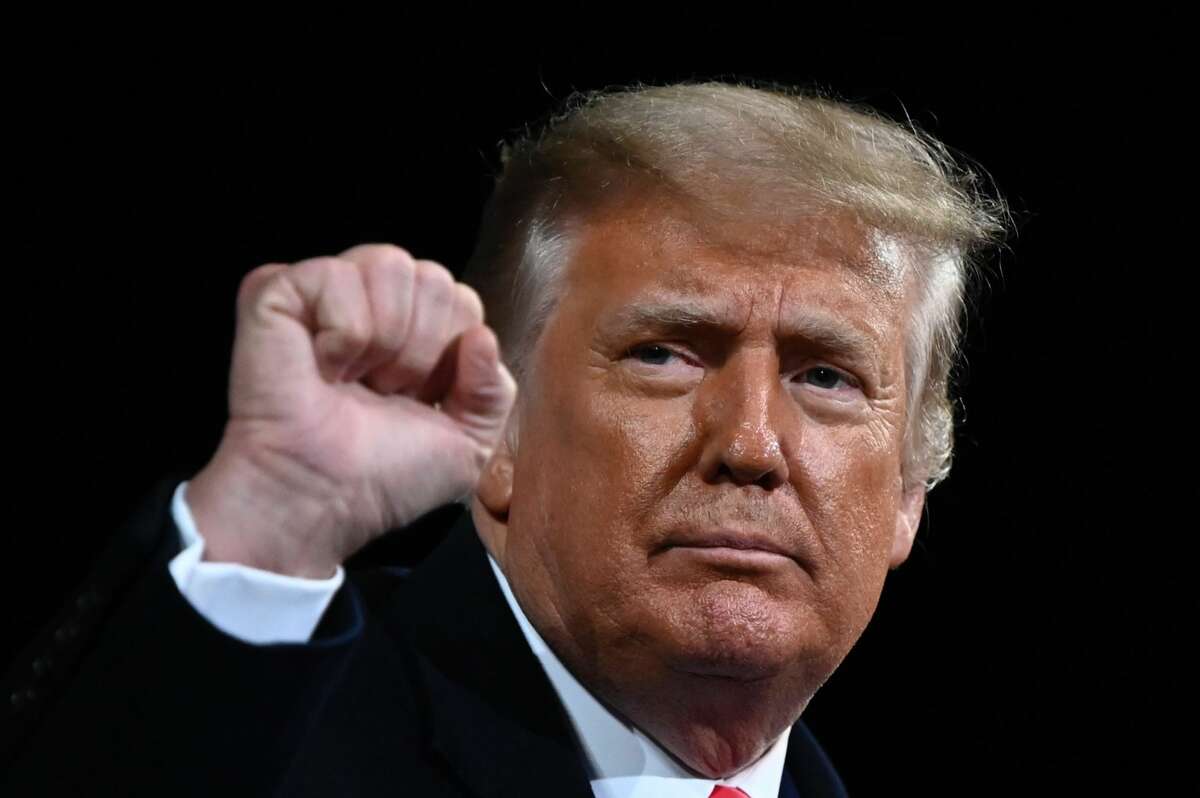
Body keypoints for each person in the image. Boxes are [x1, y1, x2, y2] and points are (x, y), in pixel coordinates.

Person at [2, 82, 1004, 796]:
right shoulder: (293, 735)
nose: (749, 442)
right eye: (665, 354)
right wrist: (271, 523)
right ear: (498, 427)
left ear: (912, 487)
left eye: (825, 376)